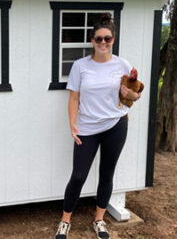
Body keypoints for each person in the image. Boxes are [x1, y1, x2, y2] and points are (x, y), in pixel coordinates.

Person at [54, 13, 141, 239]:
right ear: (92, 41)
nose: (103, 42)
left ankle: (99, 220)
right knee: (79, 176)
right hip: (87, 128)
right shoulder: (80, 66)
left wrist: (128, 92)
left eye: (108, 39)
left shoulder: (123, 64)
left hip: (116, 125)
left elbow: (134, 95)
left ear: (113, 40)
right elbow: (74, 98)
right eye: (99, 39)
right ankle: (65, 221)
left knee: (107, 173)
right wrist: (73, 125)